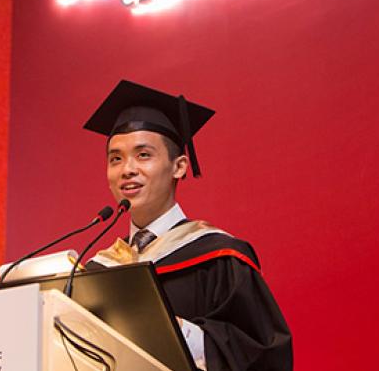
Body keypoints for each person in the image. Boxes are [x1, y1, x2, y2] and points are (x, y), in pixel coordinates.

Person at [84, 80, 292, 370]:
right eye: (115, 159)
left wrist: (175, 332)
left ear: (179, 166)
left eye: (143, 155)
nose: (127, 169)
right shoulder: (96, 271)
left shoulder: (219, 258)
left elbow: (265, 356)